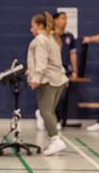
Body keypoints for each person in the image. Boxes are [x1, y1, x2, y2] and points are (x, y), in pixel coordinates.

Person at [27, 12, 68, 156]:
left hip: (49, 81)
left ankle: (56, 140)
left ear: (39, 26)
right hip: (59, 79)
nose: (30, 29)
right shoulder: (51, 37)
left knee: (45, 111)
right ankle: (55, 140)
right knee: (49, 112)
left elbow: (42, 63)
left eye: (32, 26)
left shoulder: (40, 39)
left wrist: (35, 78)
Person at [35, 12, 78, 130]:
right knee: (49, 94)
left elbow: (73, 53)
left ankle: (54, 118)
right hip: (50, 70)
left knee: (61, 95)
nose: (65, 21)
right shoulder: (49, 36)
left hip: (63, 70)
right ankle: (43, 114)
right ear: (55, 20)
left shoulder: (69, 36)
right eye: (62, 18)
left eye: (66, 18)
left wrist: (74, 70)